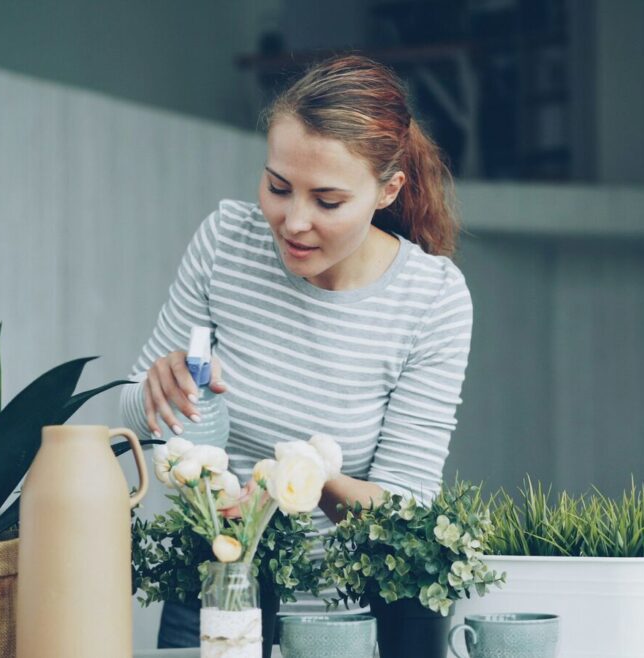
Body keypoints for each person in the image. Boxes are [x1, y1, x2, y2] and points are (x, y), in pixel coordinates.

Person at [119, 53, 473, 649]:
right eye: (278, 187)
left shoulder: (430, 298)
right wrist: (157, 389)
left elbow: (403, 515)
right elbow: (136, 423)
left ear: (387, 191)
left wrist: (308, 478)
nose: (293, 222)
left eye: (327, 201)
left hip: (347, 621)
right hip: (216, 590)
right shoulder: (226, 243)